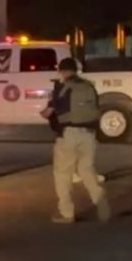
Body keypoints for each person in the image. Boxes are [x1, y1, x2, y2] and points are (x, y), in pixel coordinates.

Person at [42, 58, 111, 224]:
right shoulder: (89, 86)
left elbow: (48, 112)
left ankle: (66, 213)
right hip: (89, 134)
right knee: (87, 170)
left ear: (62, 71)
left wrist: (45, 113)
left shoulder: (62, 88)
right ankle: (103, 208)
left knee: (62, 173)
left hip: (68, 135)